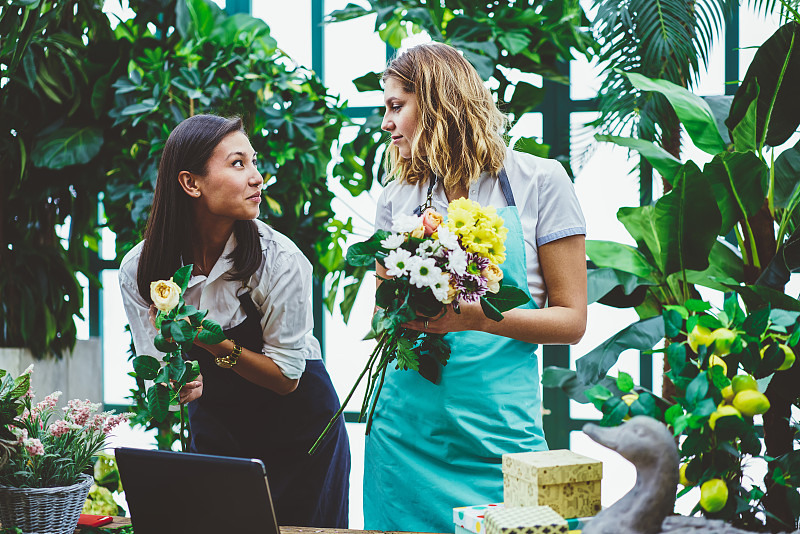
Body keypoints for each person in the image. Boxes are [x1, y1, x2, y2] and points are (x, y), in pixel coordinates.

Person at [365, 43, 587, 532]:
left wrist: (478, 318)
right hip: (405, 435)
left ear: (439, 101)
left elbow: (571, 322)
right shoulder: (396, 197)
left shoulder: (540, 182)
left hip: (500, 436)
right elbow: (382, 319)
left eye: (396, 106)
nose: (386, 125)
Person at [118, 114, 350, 528]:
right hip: (219, 434)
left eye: (254, 162)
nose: (257, 178)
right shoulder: (141, 268)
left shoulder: (281, 260)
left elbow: (286, 378)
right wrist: (176, 385)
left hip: (302, 433)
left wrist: (211, 344)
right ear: (191, 183)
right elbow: (161, 383)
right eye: (239, 163)